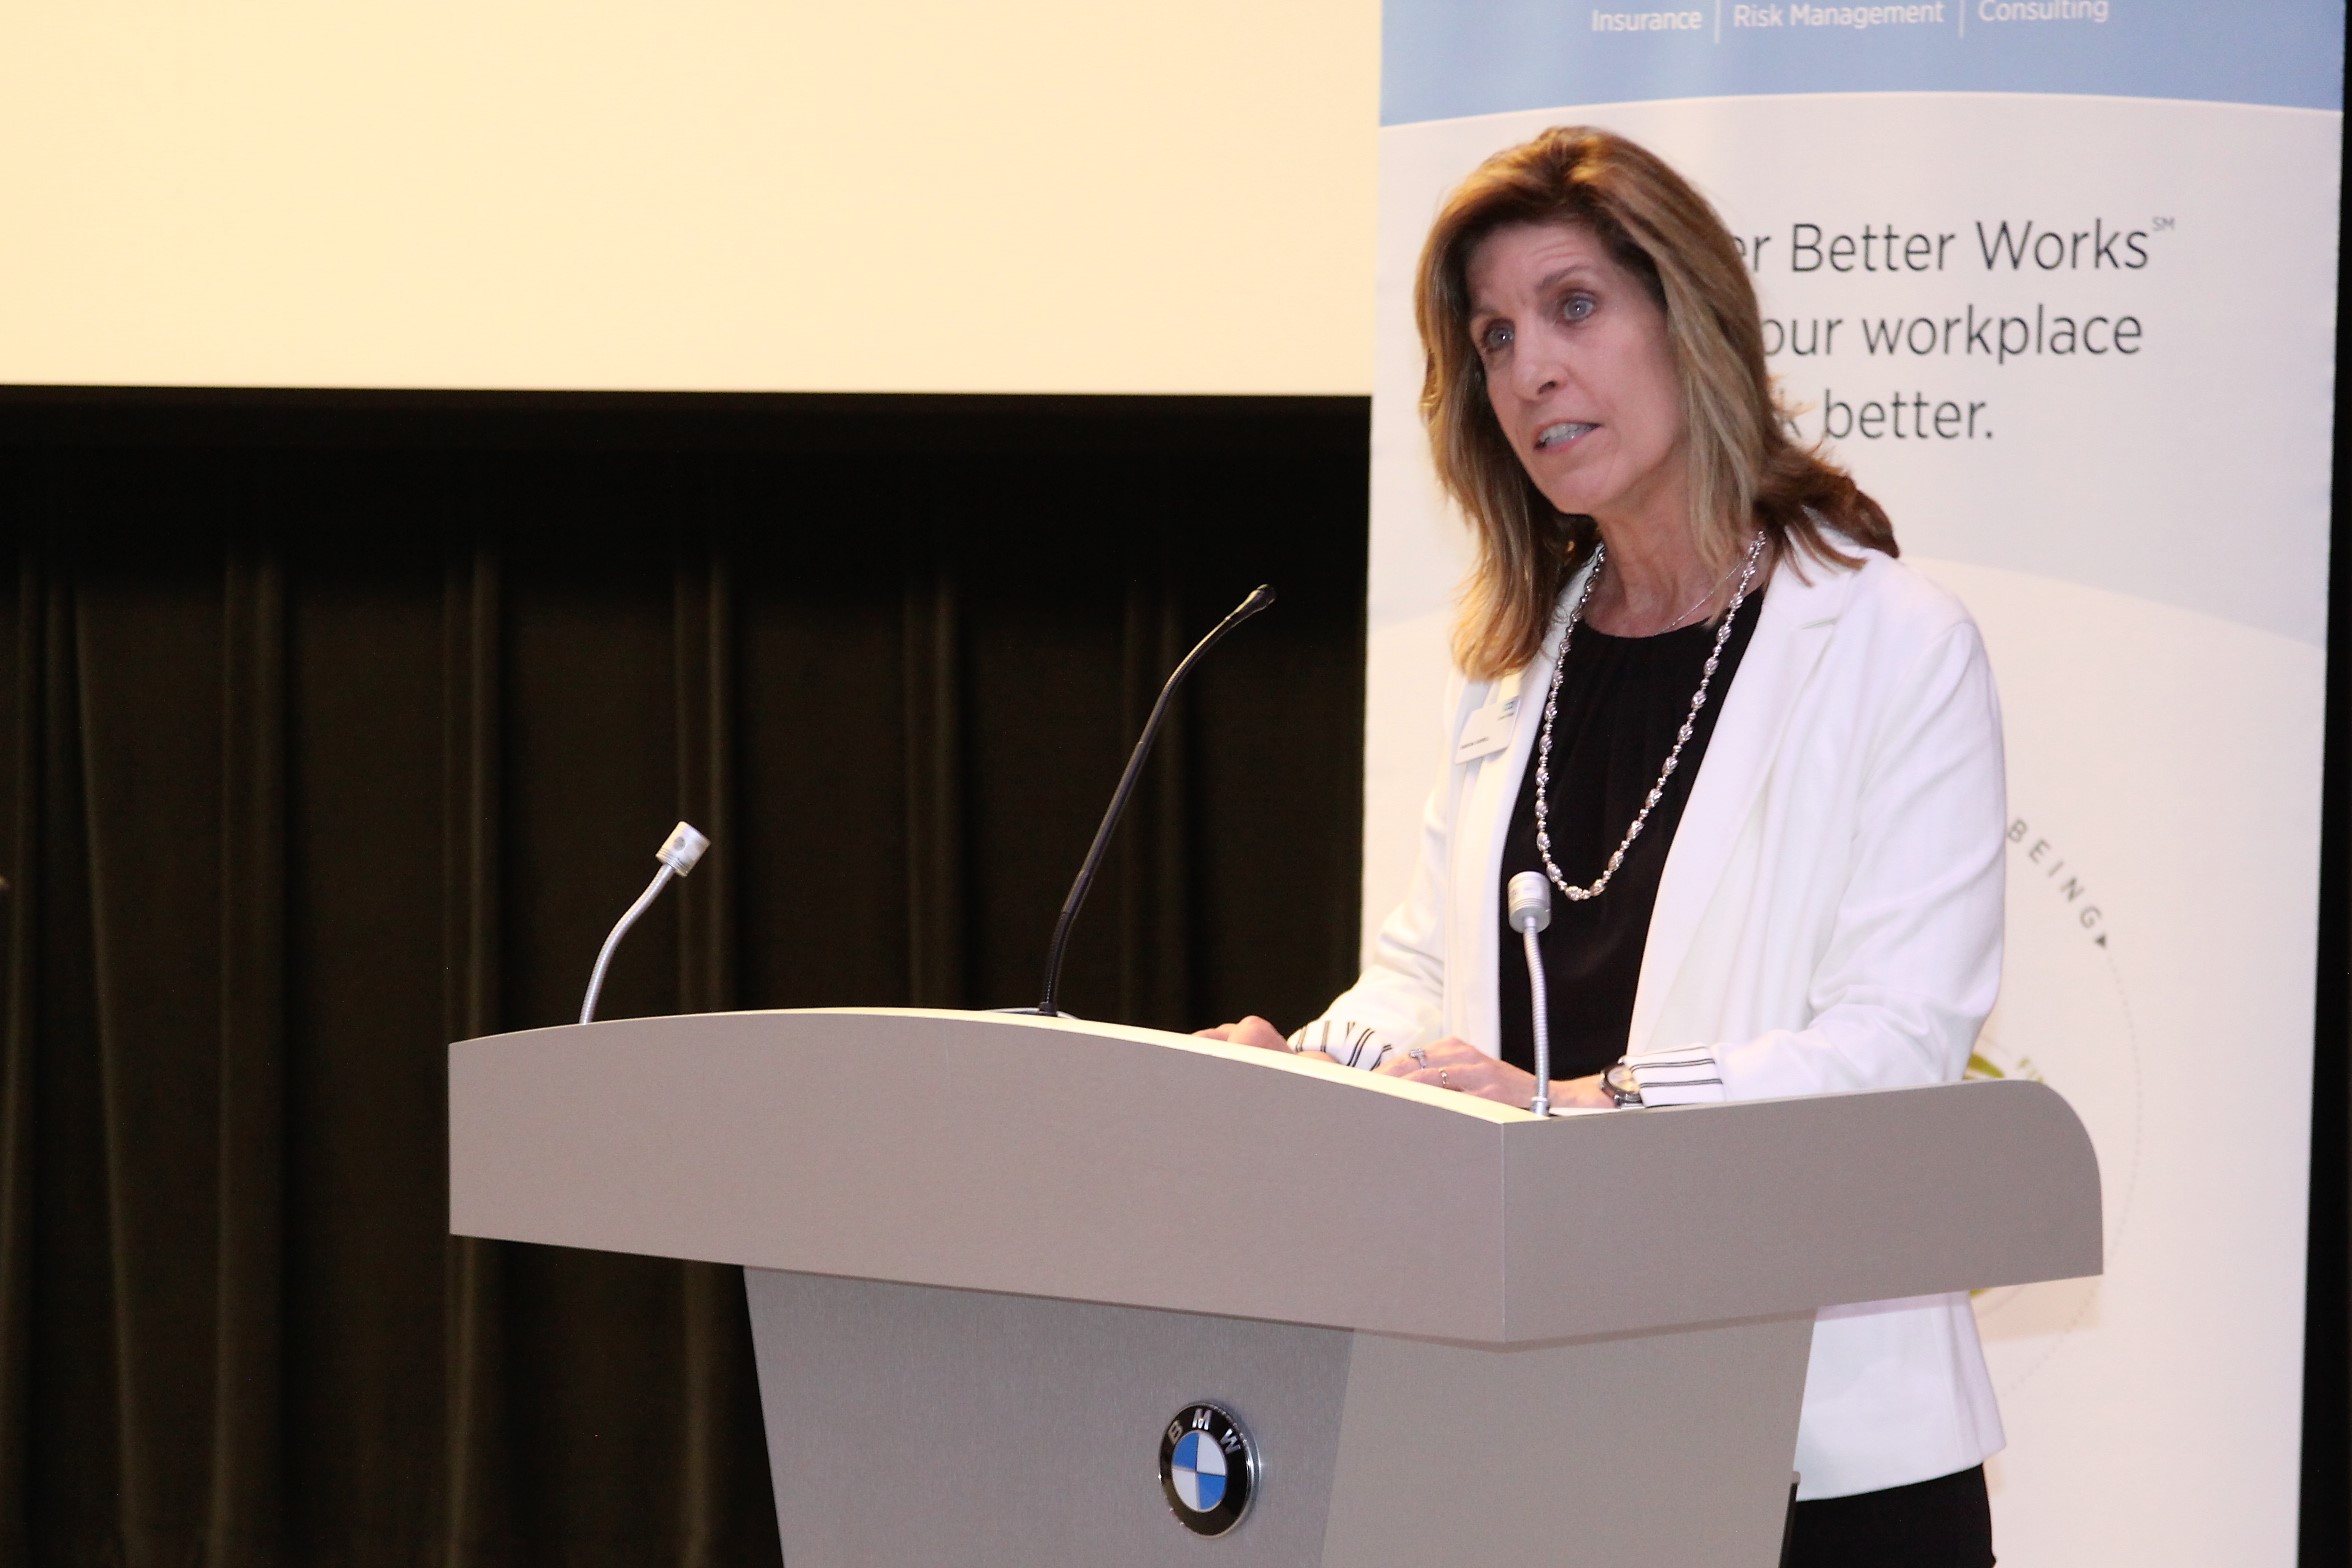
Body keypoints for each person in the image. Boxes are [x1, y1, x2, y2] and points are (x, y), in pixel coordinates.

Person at [1202, 127, 2007, 1567]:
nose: (1530, 371)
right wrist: (1305, 1074)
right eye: (1496, 337)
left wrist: (1591, 1104)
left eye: (1573, 307)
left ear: (1691, 320)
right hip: (1535, 1420)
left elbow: (1897, 1048)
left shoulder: (1893, 644)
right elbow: (1419, 983)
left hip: (1812, 1448)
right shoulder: (1515, 666)